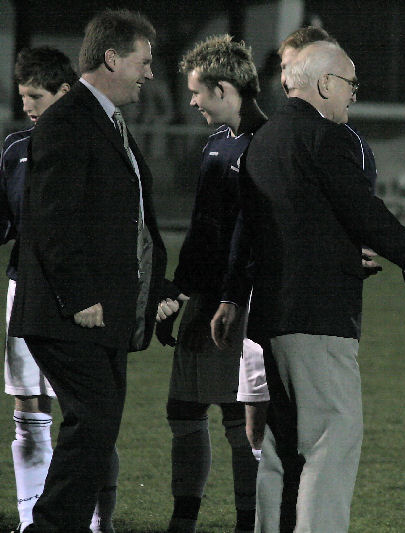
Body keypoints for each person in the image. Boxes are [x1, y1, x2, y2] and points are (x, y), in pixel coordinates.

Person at [211, 41, 405, 533]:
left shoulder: (263, 140)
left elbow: (260, 229)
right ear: (324, 84)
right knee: (329, 443)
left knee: (280, 445)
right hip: (318, 317)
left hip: (273, 315)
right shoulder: (328, 137)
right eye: (350, 83)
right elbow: (362, 210)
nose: (354, 94)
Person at [8, 10, 174, 532]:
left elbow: (131, 221)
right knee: (94, 422)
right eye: (143, 62)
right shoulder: (68, 120)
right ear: (112, 58)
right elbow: (52, 217)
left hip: (105, 315)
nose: (150, 73)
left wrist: (156, 289)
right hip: (70, 315)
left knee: (97, 428)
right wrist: (80, 297)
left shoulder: (104, 120)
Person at [2, 46, 121, 533]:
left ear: (64, 92)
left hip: (83, 297)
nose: (28, 105)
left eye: (36, 96)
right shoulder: (15, 148)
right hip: (26, 289)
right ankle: (34, 519)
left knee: (88, 414)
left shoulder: (99, 142)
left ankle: (97, 521)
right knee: (29, 407)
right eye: (23, 96)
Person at [153, 34, 265, 533]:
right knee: (184, 409)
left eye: (197, 92)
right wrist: (178, 291)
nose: (192, 101)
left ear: (223, 88)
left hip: (240, 303)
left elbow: (257, 237)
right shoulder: (216, 143)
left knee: (238, 419)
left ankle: (247, 522)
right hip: (205, 298)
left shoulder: (269, 143)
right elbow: (204, 230)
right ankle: (184, 519)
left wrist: (230, 298)